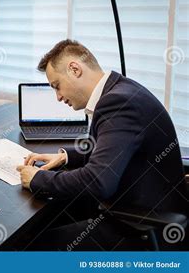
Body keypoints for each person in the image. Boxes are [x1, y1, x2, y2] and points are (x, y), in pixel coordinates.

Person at [17, 39, 188, 250]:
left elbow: (98, 181)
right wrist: (65, 156)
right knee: (49, 222)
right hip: (145, 212)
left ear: (74, 69)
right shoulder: (121, 88)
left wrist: (38, 179)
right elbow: (111, 150)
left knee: (30, 244)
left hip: (142, 227)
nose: (58, 97)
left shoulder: (117, 103)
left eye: (57, 86)